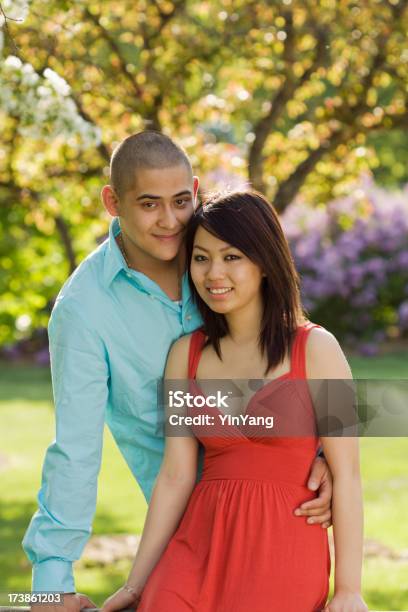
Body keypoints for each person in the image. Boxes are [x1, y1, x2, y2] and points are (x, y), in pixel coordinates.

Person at [22, 132, 333, 611]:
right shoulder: (85, 311)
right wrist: (47, 586)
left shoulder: (222, 257)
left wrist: (323, 457)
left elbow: (301, 364)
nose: (169, 221)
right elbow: (75, 452)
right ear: (113, 201)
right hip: (184, 538)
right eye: (148, 204)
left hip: (281, 527)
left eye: (180, 201)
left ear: (195, 191)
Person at [102, 191, 368, 612]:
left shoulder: (317, 349)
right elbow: (175, 476)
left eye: (231, 257)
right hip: (195, 553)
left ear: (264, 262)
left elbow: (348, 476)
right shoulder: (185, 355)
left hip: (283, 553)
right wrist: (136, 584)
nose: (213, 273)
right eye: (201, 258)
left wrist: (349, 590)